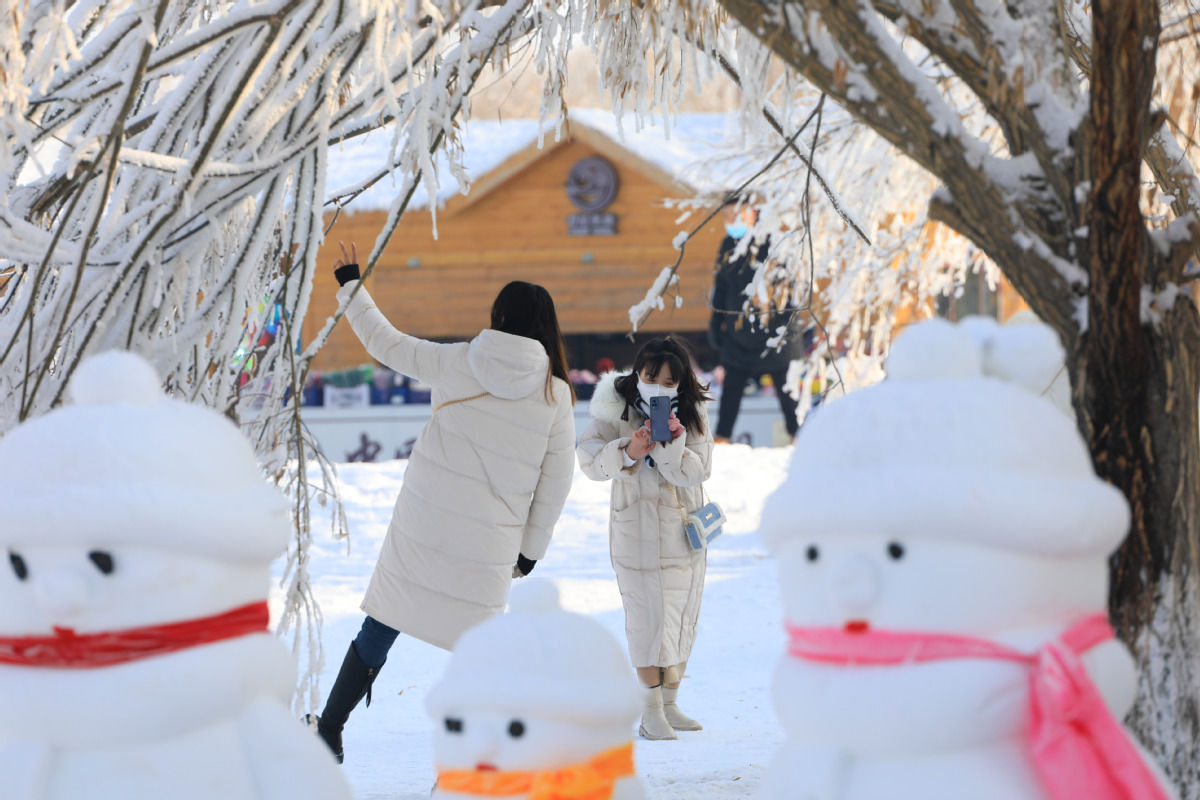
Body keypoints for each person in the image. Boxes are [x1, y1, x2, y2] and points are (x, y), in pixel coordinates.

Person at [309, 242, 578, 763]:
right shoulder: (556, 395)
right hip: (490, 542)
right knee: (477, 648)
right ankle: (479, 756)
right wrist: (530, 551)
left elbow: (385, 344)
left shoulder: (456, 361)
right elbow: (556, 480)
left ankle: (330, 729)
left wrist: (350, 281)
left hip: (423, 525)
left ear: (498, 317)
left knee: (382, 622)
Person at [576, 337, 715, 741]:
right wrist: (629, 450)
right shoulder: (613, 408)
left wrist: (671, 446)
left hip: (682, 532)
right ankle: (650, 710)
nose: (658, 386)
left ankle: (670, 704)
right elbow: (589, 460)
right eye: (651, 377)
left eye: (669, 381)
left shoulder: (693, 415)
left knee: (679, 618)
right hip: (634, 531)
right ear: (637, 373)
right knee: (646, 621)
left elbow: (698, 471)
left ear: (681, 385)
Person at [708, 200, 807, 443]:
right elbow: (721, 288)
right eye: (727, 216)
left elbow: (792, 292)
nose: (732, 221)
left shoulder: (775, 243)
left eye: (737, 215)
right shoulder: (728, 245)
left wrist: (785, 328)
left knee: (789, 398)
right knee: (730, 398)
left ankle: (800, 441)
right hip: (739, 338)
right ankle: (722, 442)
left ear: (753, 214)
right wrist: (716, 324)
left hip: (776, 337)